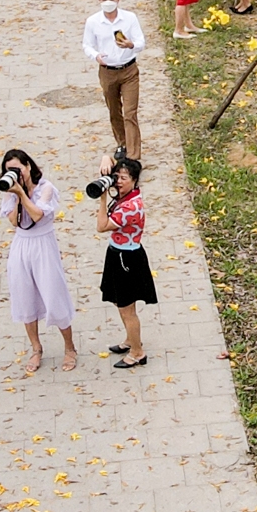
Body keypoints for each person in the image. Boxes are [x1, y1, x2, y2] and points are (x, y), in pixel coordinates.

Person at [0, 148, 76, 374]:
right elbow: (14, 221)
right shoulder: (10, 191)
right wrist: (14, 194)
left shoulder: (46, 188)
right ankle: (36, 347)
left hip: (43, 244)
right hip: (21, 245)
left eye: (18, 169)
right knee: (24, 296)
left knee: (54, 293)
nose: (15, 174)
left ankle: (69, 347)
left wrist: (23, 193)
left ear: (28, 166)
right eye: (9, 170)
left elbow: (38, 215)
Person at [94, 156, 156, 368]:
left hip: (126, 259)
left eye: (123, 178)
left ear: (135, 180)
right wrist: (106, 160)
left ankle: (138, 352)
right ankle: (132, 340)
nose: (118, 181)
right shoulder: (127, 197)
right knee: (120, 303)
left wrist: (102, 198)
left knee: (126, 308)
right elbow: (111, 157)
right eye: (116, 177)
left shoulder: (131, 207)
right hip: (117, 254)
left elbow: (101, 226)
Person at [82, 0, 143, 160]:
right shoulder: (93, 22)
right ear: (99, 0)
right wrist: (96, 56)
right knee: (114, 110)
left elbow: (141, 41)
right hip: (107, 71)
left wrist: (131, 45)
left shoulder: (129, 18)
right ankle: (122, 143)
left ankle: (133, 155)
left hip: (129, 70)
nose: (108, 2)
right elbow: (87, 44)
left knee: (130, 112)